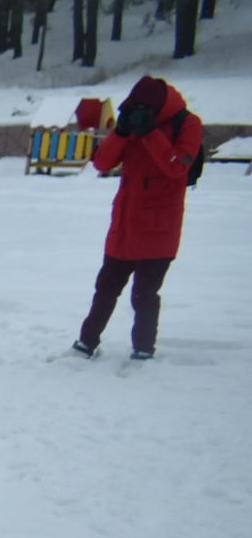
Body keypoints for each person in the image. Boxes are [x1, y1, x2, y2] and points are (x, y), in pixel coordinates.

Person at [72, 75, 204, 362]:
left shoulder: (188, 124)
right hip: (124, 227)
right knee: (105, 289)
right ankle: (85, 344)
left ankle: (143, 350)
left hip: (159, 229)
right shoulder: (133, 124)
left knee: (144, 295)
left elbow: (176, 168)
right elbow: (102, 163)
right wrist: (121, 132)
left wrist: (150, 133)